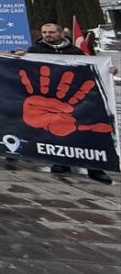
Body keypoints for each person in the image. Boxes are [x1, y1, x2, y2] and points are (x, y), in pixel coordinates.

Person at [25, 22, 114, 184]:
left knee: (86, 130)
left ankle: (94, 166)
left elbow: (92, 67)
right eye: (44, 32)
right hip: (50, 97)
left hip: (75, 95)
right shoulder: (35, 51)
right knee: (58, 129)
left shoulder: (74, 51)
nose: (47, 35)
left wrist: (108, 70)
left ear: (61, 34)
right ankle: (62, 161)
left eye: (51, 32)